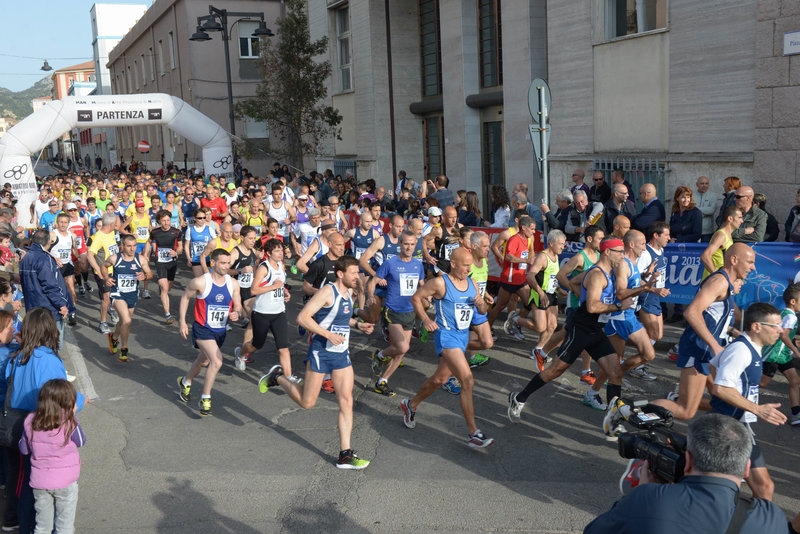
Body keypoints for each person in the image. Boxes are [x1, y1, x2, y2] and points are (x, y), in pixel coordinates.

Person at [584, 414, 792, 534]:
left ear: (689, 461)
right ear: (747, 468)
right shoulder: (771, 518)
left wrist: (642, 491)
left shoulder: (647, 499)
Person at [257, 256, 374, 469]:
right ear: (341, 274)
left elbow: (339, 317)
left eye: (358, 273)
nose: (357, 277)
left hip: (341, 354)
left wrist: (358, 325)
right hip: (321, 352)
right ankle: (277, 377)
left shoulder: (349, 293)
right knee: (307, 402)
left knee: (346, 401)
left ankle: (345, 455)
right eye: (354, 273)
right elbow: (303, 318)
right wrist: (327, 334)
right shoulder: (327, 291)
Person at [508, 238, 635, 426]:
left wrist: (581, 295)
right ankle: (519, 398)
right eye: (619, 251)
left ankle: (613, 421)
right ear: (607, 252)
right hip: (581, 330)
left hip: (596, 331)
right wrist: (617, 305)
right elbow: (592, 307)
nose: (623, 255)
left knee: (615, 372)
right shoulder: (597, 275)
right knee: (555, 371)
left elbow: (575, 282)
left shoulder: (604, 272)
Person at [647, 243, 755, 421]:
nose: (753, 267)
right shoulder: (719, 281)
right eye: (750, 262)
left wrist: (737, 335)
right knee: (685, 411)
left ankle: (676, 403)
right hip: (699, 349)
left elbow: (712, 319)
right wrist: (714, 346)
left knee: (722, 402)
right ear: (734, 260)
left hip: (709, 353)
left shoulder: (726, 284)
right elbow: (692, 312)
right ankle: (627, 411)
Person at [3, 308, 87, 534]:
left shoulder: (19, 355)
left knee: (24, 481)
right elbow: (60, 397)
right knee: (33, 486)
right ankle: (27, 525)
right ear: (50, 329)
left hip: (17, 423)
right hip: (38, 426)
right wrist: (80, 400)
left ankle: (21, 522)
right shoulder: (48, 360)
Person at [401, 248, 494, 448]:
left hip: (462, 337)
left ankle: (411, 404)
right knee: (467, 380)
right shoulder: (440, 283)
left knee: (439, 379)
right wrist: (426, 319)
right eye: (464, 265)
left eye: (470, 265)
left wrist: (481, 305)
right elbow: (416, 298)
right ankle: (473, 433)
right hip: (447, 336)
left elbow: (483, 310)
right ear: (453, 263)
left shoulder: (472, 283)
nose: (468, 269)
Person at [707, 303, 787, 500]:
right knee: (763, 487)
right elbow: (721, 388)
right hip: (727, 427)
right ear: (756, 326)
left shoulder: (751, 347)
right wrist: (757, 409)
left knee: (760, 487)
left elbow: (713, 366)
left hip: (737, 424)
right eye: (775, 326)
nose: (781, 331)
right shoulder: (741, 350)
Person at [585, 231, 659, 412]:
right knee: (617, 362)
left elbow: (633, 284)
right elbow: (621, 292)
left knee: (646, 355)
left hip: (629, 316)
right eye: (642, 243)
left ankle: (598, 388)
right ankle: (596, 393)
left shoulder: (632, 264)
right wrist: (645, 288)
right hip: (618, 319)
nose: (644, 247)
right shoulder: (622, 265)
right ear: (631, 245)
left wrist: (649, 285)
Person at [176, 249, 244, 416]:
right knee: (217, 361)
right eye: (222, 263)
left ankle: (186, 381)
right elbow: (185, 298)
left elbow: (239, 306)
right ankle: (205, 398)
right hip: (202, 328)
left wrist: (237, 313)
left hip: (220, 331)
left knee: (203, 362)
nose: (226, 266)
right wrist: (182, 322)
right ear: (212, 263)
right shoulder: (200, 282)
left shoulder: (233, 284)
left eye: (228, 263)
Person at [20, 379, 86, 534]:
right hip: (66, 481)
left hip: (40, 482)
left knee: (42, 526)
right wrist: (74, 416)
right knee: (64, 526)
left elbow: (24, 449)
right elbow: (82, 441)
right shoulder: (69, 421)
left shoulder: (31, 420)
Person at [544, 225, 605, 384]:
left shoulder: (599, 256)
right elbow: (561, 275)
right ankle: (584, 371)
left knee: (569, 334)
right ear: (589, 239)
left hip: (590, 305)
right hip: (577, 304)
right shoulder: (580, 257)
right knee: (578, 336)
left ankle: (542, 353)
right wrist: (578, 292)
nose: (602, 242)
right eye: (599, 239)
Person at [367, 231, 425, 396]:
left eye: (412, 244)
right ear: (400, 243)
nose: (409, 247)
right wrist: (371, 296)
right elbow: (373, 282)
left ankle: (382, 381)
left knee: (400, 352)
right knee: (402, 346)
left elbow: (422, 286)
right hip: (392, 312)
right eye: (406, 244)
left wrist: (427, 296)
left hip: (410, 312)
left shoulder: (417, 265)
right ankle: (379, 355)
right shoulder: (390, 263)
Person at [505, 229, 567, 364]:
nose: (563, 246)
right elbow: (530, 276)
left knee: (552, 325)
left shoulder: (556, 256)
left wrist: (559, 289)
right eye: (561, 244)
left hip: (551, 294)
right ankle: (516, 319)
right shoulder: (542, 257)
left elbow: (551, 277)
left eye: (564, 243)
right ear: (551, 243)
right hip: (539, 294)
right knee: (540, 327)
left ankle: (537, 350)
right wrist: (541, 293)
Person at [234, 238, 293, 376]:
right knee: (256, 344)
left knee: (283, 347)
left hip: (279, 312)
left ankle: (289, 377)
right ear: (268, 252)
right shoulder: (264, 267)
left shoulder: (281, 266)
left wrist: (285, 292)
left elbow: (280, 285)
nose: (280, 253)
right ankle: (240, 353)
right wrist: (275, 287)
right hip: (262, 313)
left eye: (281, 250)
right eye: (277, 251)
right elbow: (253, 290)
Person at [19, 230, 77, 350]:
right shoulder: (44, 259)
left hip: (32, 308)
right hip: (49, 310)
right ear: (48, 242)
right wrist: (61, 305)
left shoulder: (26, 257)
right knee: (53, 344)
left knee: (37, 343)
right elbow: (51, 285)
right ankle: (52, 366)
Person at [100, 234, 152, 363]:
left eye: (134, 246)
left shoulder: (140, 259)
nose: (132, 249)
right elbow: (103, 266)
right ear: (122, 246)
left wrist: (144, 276)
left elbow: (150, 273)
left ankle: (114, 337)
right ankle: (124, 349)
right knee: (127, 321)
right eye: (129, 246)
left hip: (132, 294)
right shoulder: (114, 258)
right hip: (118, 293)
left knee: (124, 322)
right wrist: (106, 278)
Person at [486, 216, 535, 334]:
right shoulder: (514, 239)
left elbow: (530, 255)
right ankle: (486, 330)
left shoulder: (528, 239)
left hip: (521, 279)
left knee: (530, 303)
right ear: (524, 228)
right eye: (532, 229)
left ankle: (514, 322)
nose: (534, 232)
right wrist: (526, 261)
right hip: (509, 279)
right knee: (500, 307)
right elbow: (508, 256)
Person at [760, 285, 800, 425]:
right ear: (793, 301)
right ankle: (735, 390)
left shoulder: (784, 312)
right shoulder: (790, 316)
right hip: (775, 355)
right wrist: (796, 351)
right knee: (762, 383)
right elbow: (784, 336)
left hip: (782, 356)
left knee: (795, 381)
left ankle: (796, 414)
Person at [635, 222, 671, 348]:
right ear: (656, 235)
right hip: (646, 296)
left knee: (659, 335)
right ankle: (639, 363)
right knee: (654, 334)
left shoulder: (660, 250)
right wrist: (655, 289)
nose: (669, 238)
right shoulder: (646, 254)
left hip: (654, 296)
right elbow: (635, 278)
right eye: (666, 235)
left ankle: (637, 340)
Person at [87, 213, 121, 334]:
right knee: (106, 298)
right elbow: (90, 255)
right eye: (115, 224)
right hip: (103, 272)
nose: (116, 226)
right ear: (111, 224)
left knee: (114, 295)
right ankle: (103, 323)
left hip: (114, 270)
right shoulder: (99, 236)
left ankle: (110, 309)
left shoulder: (111, 233)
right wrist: (99, 272)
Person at [464, 231, 494, 369]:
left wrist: (485, 294)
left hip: (478, 307)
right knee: (484, 340)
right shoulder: (466, 262)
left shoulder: (484, 261)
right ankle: (455, 348)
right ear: (474, 246)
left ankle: (471, 355)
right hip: (464, 306)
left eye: (488, 246)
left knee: (484, 341)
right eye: (485, 246)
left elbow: (480, 283)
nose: (488, 249)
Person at [149, 209, 183, 324]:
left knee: (168, 288)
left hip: (172, 262)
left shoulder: (177, 232)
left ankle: (162, 288)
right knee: (164, 288)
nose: (166, 223)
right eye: (163, 221)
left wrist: (176, 253)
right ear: (159, 221)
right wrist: (150, 254)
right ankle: (167, 314)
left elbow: (180, 247)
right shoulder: (155, 232)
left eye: (168, 220)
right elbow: (152, 242)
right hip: (160, 262)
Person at [48, 213, 80, 325]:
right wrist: (54, 258)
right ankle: (55, 311)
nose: (63, 224)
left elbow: (74, 249)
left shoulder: (72, 236)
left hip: (67, 265)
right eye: (61, 222)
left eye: (65, 222)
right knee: (55, 290)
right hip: (55, 266)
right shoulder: (52, 235)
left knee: (71, 289)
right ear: (57, 222)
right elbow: (43, 249)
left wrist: (79, 258)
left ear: (68, 223)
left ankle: (72, 313)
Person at [700, 206, 742, 279]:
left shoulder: (728, 236)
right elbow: (705, 256)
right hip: (713, 283)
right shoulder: (721, 235)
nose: (742, 221)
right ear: (730, 219)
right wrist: (716, 276)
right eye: (739, 217)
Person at [184, 208, 217, 277]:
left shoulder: (209, 229)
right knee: (199, 279)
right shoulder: (190, 230)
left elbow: (216, 243)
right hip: (196, 259)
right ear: (194, 218)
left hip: (207, 258)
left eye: (204, 218)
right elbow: (187, 245)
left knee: (208, 280)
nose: (202, 220)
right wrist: (188, 257)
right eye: (200, 218)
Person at [695, 176, 719, 242]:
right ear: (697, 184)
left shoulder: (713, 195)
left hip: (707, 232)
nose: (704, 185)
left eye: (706, 183)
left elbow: (711, 210)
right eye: (702, 183)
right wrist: (704, 212)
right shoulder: (691, 195)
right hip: (694, 230)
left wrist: (695, 211)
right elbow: (689, 209)